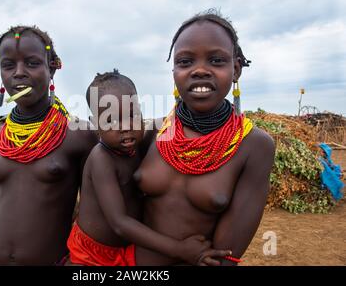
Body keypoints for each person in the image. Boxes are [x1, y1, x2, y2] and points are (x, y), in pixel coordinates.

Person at [134, 10, 276, 265]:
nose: (199, 70)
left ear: (236, 70)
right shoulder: (152, 133)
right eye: (185, 62)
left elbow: (224, 257)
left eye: (216, 60)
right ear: (174, 72)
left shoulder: (254, 146)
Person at [66, 70, 231, 266]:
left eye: (132, 115)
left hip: (129, 249)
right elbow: (119, 223)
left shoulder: (140, 145)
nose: (125, 127)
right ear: (95, 124)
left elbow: (174, 120)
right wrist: (179, 249)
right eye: (110, 121)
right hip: (91, 255)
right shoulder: (101, 159)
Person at [0, 26, 96, 266]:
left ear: (52, 68)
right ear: (0, 73)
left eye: (32, 63)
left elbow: (92, 215)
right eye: (8, 65)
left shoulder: (79, 135)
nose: (19, 73)